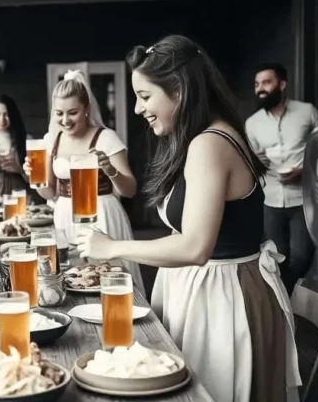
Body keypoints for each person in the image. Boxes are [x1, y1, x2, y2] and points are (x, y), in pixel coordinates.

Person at [75, 36, 300, 401]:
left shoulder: (210, 144)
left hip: (224, 302)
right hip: (203, 291)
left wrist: (111, 246)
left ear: (178, 89)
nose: (136, 109)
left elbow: (195, 246)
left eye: (145, 96)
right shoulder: (199, 138)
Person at [25, 70, 144, 294]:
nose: (65, 120)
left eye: (73, 112)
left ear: (86, 108)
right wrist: (35, 178)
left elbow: (130, 190)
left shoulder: (106, 137)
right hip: (64, 215)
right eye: (59, 113)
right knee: (73, 281)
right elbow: (50, 194)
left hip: (102, 214)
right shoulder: (53, 140)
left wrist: (109, 168)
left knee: (108, 281)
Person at [245, 63, 318, 294]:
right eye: (257, 84)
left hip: (304, 198)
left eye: (266, 82)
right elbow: (249, 164)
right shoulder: (252, 123)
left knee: (301, 257)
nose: (260, 88)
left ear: (282, 84)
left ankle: (279, 299)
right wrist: (255, 161)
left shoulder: (307, 112)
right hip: (270, 199)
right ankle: (283, 303)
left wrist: (305, 170)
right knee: (276, 259)